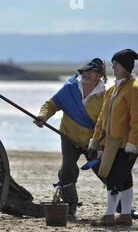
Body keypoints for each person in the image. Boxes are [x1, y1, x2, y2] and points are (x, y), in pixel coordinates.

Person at [33, 58, 107, 220]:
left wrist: (100, 145)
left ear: (99, 76)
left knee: (104, 172)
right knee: (66, 170)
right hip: (68, 136)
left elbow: (106, 123)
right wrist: (43, 116)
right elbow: (52, 104)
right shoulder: (71, 87)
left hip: (92, 141)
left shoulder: (105, 95)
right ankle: (71, 208)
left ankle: (123, 208)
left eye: (91, 72)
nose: (86, 74)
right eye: (85, 71)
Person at [89, 49, 138, 226]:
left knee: (114, 179)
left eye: (117, 63)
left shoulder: (136, 90)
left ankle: (108, 215)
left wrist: (133, 145)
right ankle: (126, 216)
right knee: (125, 179)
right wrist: (95, 141)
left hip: (126, 145)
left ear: (126, 67)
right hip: (109, 144)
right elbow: (101, 119)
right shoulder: (112, 89)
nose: (112, 66)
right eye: (113, 63)